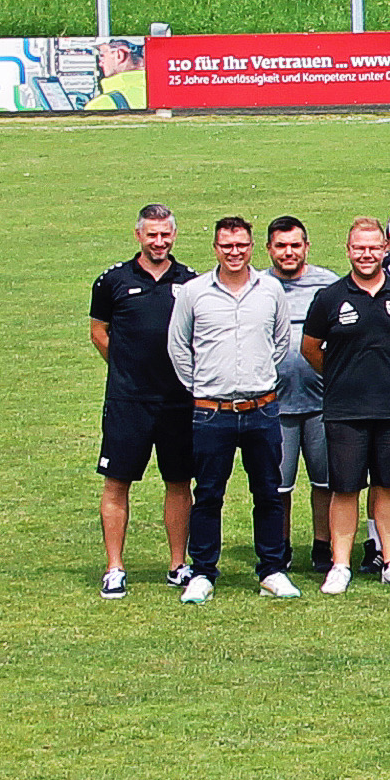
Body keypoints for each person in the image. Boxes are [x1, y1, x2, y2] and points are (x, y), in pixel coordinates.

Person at [165, 214, 300, 601]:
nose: (234, 252)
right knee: (208, 494)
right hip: (211, 412)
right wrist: (203, 388)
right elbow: (179, 347)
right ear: (216, 248)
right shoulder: (193, 292)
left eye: (241, 245)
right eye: (227, 246)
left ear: (251, 246)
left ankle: (271, 570)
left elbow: (279, 341)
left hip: (261, 409)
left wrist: (257, 378)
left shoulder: (270, 289)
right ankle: (203, 571)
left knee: (268, 493)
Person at [302, 217, 390, 591]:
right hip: (345, 410)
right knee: (345, 488)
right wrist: (343, 375)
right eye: (359, 248)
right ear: (348, 250)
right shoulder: (329, 298)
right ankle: (340, 565)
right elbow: (310, 349)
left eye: (374, 247)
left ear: (385, 249)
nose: (366, 254)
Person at [90, 203, 195, 598]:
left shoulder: (190, 281)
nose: (159, 242)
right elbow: (100, 332)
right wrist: (125, 369)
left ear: (174, 235)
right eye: (152, 235)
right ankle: (115, 567)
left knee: (179, 481)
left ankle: (177, 564)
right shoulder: (112, 281)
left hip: (178, 402)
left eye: (165, 234)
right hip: (128, 402)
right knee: (117, 483)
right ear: (138, 235)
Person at [261, 216, 342, 577]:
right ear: (269, 250)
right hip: (274, 405)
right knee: (279, 485)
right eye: (281, 246)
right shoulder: (258, 286)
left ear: (307, 247)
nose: (288, 252)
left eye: (295, 245)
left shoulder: (327, 285)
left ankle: (323, 548)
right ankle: (279, 550)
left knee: (325, 481)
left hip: (322, 402)